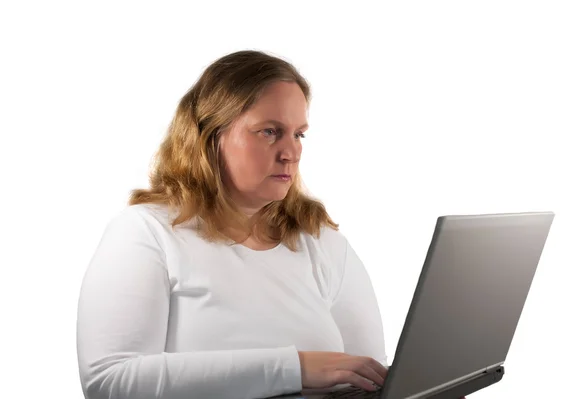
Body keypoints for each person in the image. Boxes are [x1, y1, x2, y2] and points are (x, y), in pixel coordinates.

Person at [76, 50, 393, 399]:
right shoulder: (145, 233)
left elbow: (370, 376)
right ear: (210, 137)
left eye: (299, 134)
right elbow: (109, 381)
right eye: (270, 132)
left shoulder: (321, 242)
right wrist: (294, 369)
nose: (291, 152)